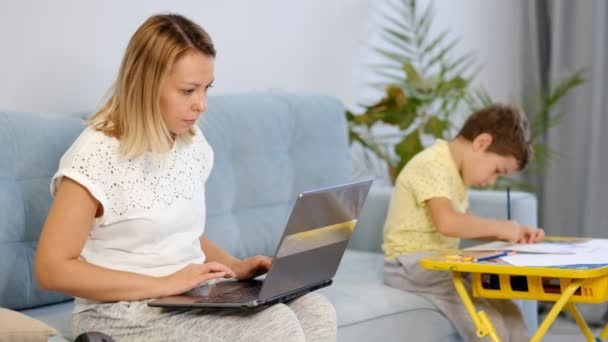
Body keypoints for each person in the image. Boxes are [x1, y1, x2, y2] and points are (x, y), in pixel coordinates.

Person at [34, 13, 336, 342]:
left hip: (184, 296)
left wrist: (234, 267)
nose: (202, 104)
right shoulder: (96, 155)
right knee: (274, 324)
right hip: (117, 312)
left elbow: (176, 234)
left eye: (206, 88)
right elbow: (52, 268)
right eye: (188, 90)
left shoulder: (191, 143)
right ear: (146, 85)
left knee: (315, 308)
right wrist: (165, 283)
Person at [382, 104, 545, 342]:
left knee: (511, 313)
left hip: (441, 263)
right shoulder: (432, 164)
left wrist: (513, 232)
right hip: (410, 265)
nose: (491, 181)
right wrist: (501, 228)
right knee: (491, 325)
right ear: (481, 143)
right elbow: (447, 222)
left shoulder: (456, 172)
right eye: (497, 170)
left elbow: (465, 222)